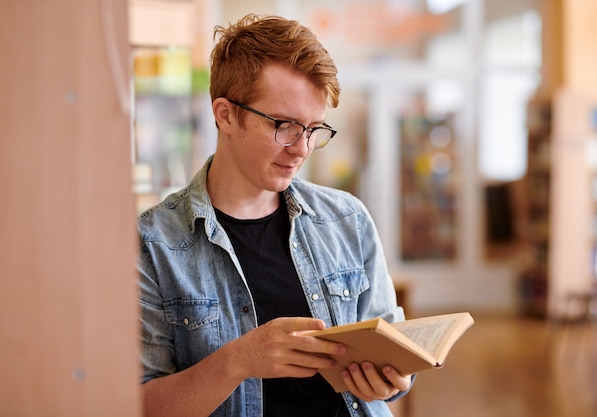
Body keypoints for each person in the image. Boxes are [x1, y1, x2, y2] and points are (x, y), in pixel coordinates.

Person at [137, 13, 413, 417]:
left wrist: (397, 379)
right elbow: (137, 405)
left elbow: (395, 359)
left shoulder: (347, 219)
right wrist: (238, 361)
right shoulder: (152, 243)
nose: (301, 148)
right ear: (225, 114)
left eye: (313, 129)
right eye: (284, 125)